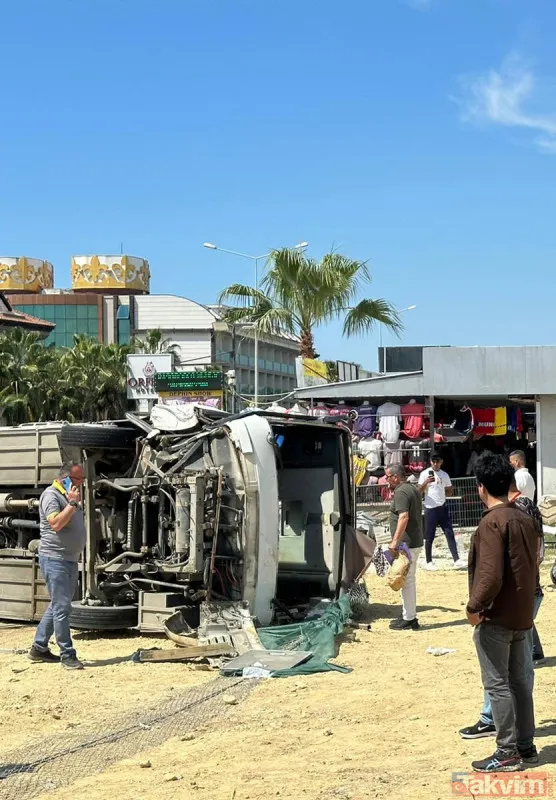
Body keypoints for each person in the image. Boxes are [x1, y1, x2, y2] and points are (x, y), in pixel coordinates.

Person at [464, 453, 538, 773]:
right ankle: (526, 744)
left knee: (497, 685)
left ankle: (506, 750)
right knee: (519, 681)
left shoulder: (492, 521)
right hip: (523, 613)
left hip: (497, 616)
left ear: (481, 488)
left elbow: (490, 575)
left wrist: (474, 607)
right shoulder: (525, 517)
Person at [28, 462, 86, 670]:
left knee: (58, 605)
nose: (82, 483)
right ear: (66, 479)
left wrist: (73, 503)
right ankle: (67, 654)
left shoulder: (70, 497)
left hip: (69, 559)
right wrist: (71, 504)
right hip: (55, 559)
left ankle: (39, 647)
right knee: (62, 608)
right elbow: (55, 523)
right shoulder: (52, 495)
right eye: (79, 479)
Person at [385, 464, 423, 631]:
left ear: (395, 477)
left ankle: (409, 617)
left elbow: (403, 517)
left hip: (406, 544)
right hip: (413, 541)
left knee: (405, 580)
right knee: (408, 579)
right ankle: (408, 613)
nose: (386, 480)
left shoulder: (401, 491)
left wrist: (395, 541)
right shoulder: (412, 488)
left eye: (388, 477)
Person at [418, 452, 467, 571]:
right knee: (429, 536)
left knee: (449, 533)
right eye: (433, 461)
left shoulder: (444, 475)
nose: (435, 464)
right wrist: (426, 483)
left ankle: (456, 559)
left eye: (437, 461)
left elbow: (450, 490)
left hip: (442, 507)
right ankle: (428, 561)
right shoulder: (424, 474)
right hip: (430, 508)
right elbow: (419, 491)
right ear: (430, 461)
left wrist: (446, 490)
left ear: (441, 462)